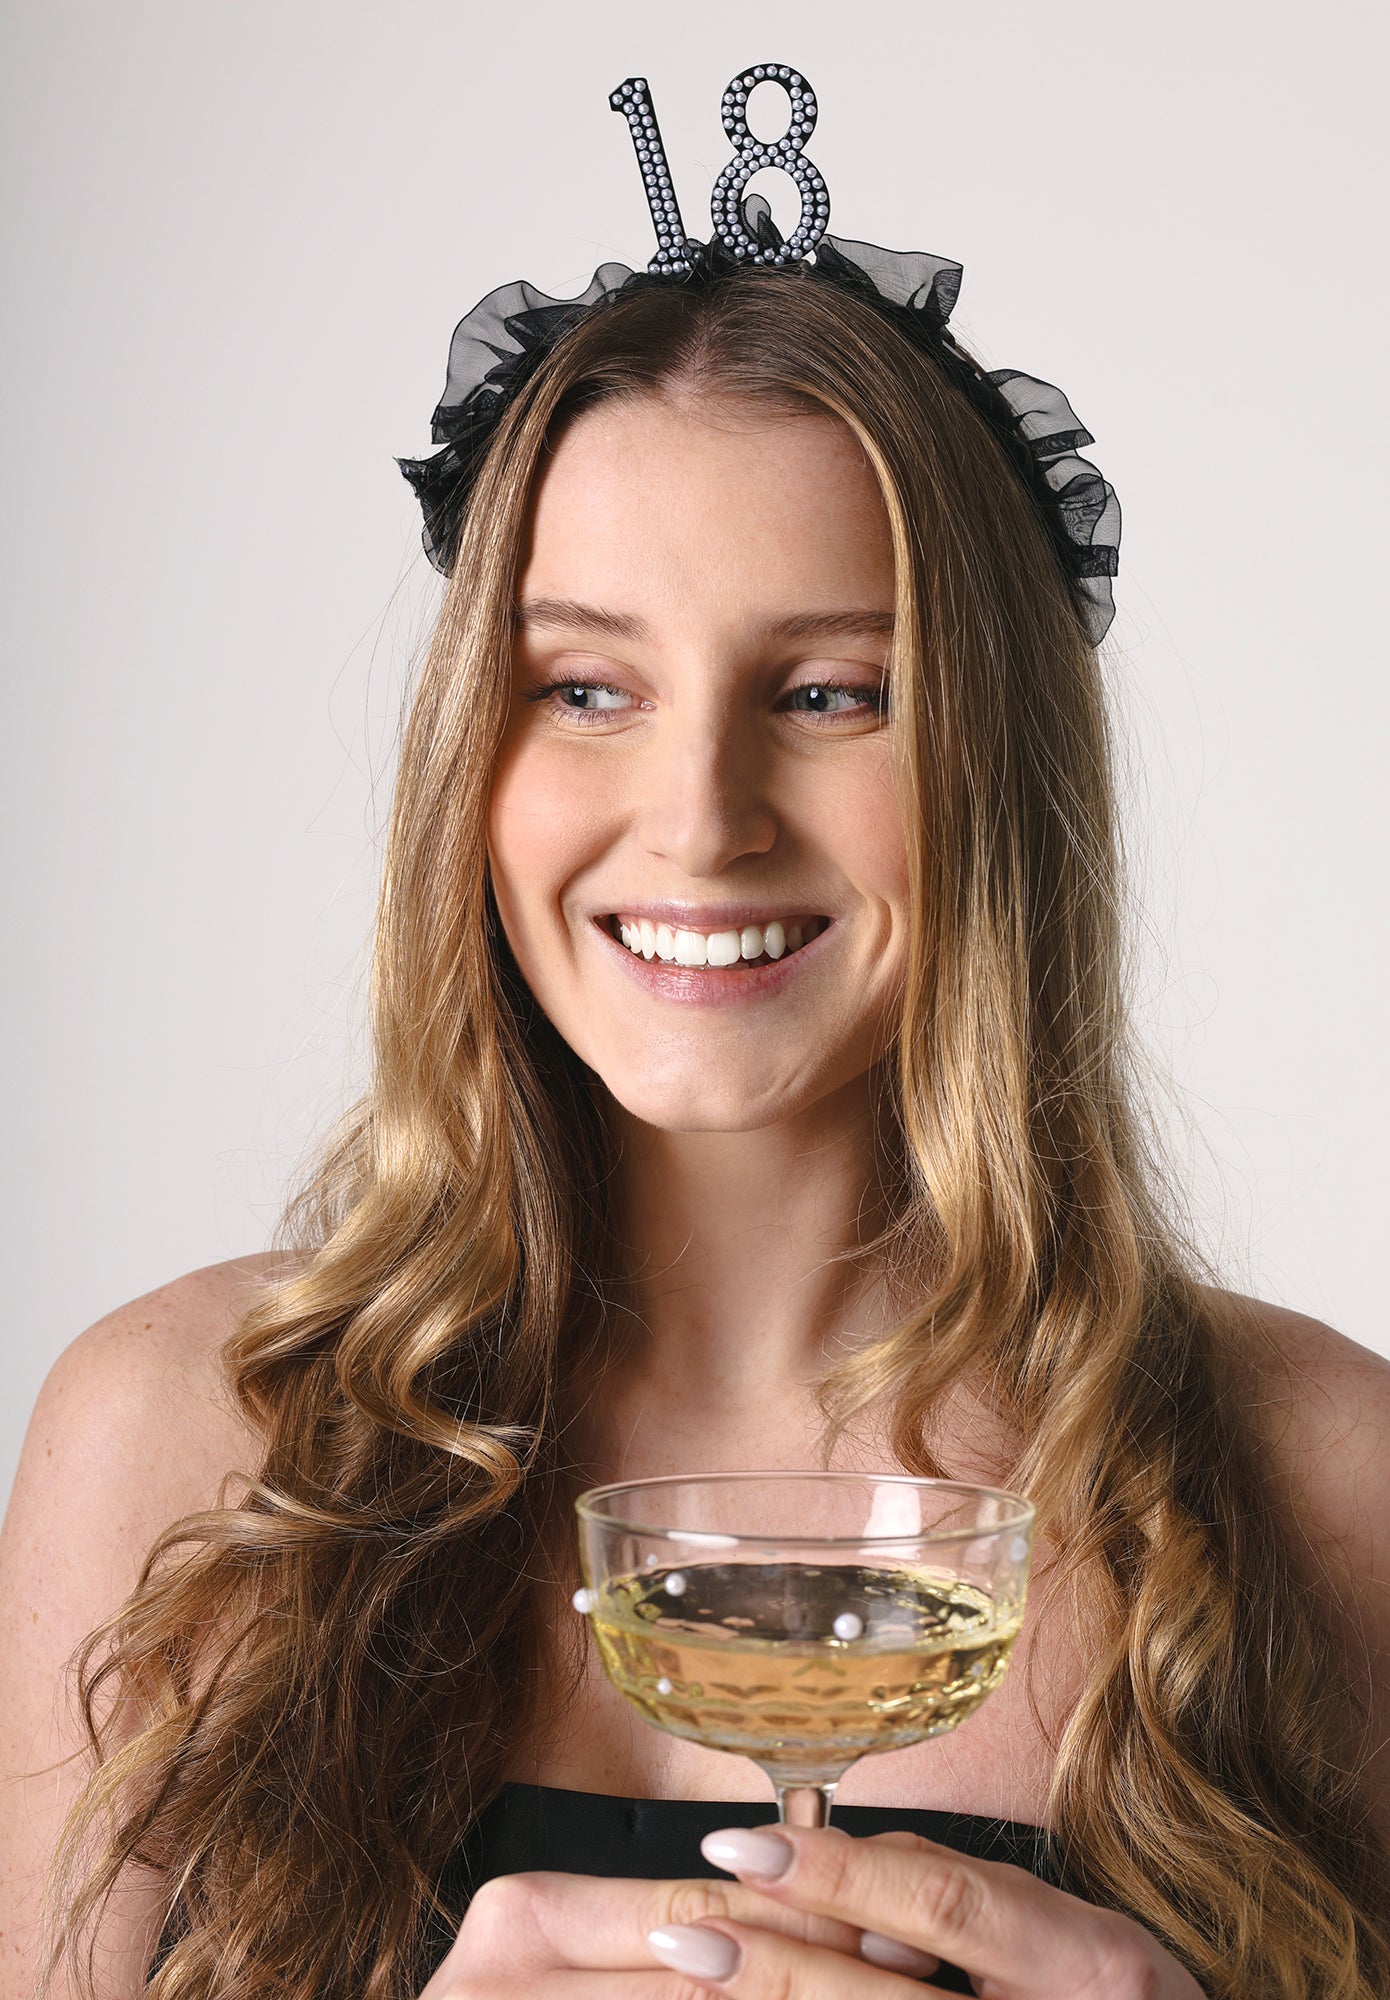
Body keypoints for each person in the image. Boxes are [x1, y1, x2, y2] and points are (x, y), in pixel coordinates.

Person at [3, 63, 1388, 2000]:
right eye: (585, 688)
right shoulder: (175, 1448)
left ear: (993, 767)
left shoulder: (1321, 1483)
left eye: (828, 694)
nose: (697, 818)